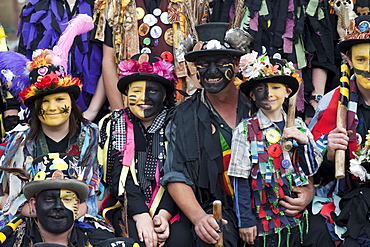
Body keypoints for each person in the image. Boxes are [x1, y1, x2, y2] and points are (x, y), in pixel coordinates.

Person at [98, 53, 193, 246]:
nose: (143, 98)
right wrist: (141, 215)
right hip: (127, 203)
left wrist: (164, 215)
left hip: (172, 204)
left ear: (165, 95)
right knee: (135, 239)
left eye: (153, 91)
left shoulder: (178, 123)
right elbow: (117, 175)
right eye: (136, 91)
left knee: (180, 240)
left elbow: (182, 172)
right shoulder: (114, 124)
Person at [228, 54, 322, 246]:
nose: (269, 94)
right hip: (263, 220)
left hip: (297, 217)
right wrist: (245, 221)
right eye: (261, 89)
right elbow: (239, 178)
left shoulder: (299, 126)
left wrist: (303, 142)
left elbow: (311, 170)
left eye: (276, 88)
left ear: (288, 92)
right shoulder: (244, 130)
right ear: (252, 96)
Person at [0, 49, 102, 223]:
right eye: (44, 102)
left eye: (59, 99)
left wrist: (75, 213)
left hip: (81, 221)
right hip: (26, 220)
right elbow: (3, 196)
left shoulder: (91, 136)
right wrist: (33, 212)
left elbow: (100, 193)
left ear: (71, 101)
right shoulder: (17, 141)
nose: (52, 107)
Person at [306, 15, 370, 246]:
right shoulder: (333, 102)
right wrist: (330, 154)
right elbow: (313, 170)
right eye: (362, 59)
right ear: (349, 61)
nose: (369, 68)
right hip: (348, 195)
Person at [0, 153, 138, 247]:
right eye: (49, 199)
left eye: (67, 199)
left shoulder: (99, 240)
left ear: (77, 205)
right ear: (34, 204)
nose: (58, 206)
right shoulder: (10, 240)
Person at [17, 0, 107, 121]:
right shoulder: (34, 9)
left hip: (95, 110)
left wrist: (92, 111)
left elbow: (109, 63)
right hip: (47, 114)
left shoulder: (102, 7)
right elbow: (24, 64)